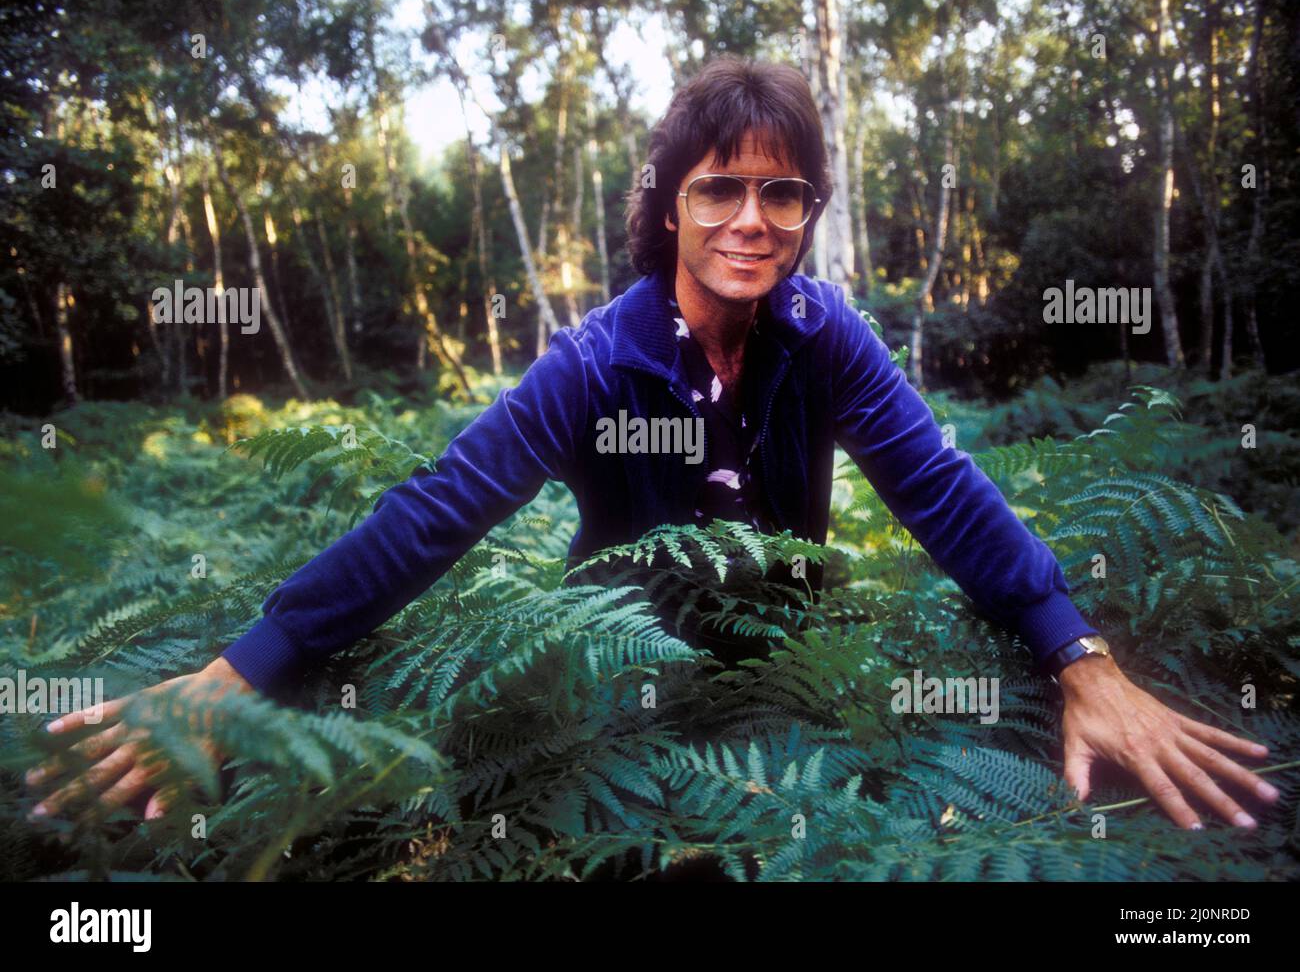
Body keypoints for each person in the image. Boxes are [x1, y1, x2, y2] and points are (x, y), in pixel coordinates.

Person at [27, 56, 1277, 834]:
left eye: (781, 191)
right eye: (719, 188)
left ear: (808, 212)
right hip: (620, 684)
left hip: (794, 661)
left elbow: (939, 489)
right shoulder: (592, 364)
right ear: (670, 205)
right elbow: (437, 508)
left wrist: (1081, 656)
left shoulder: (822, 334)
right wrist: (244, 669)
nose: (751, 218)